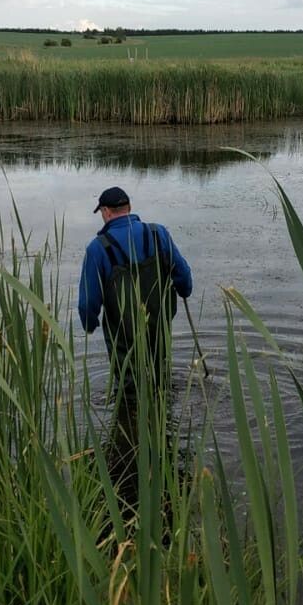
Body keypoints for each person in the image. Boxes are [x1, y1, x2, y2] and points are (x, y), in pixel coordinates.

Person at [78, 186, 193, 498]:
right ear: (129, 207)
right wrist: (182, 290)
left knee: (129, 392)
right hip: (160, 330)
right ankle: (160, 439)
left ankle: (132, 448)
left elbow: (88, 303)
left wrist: (89, 325)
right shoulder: (159, 235)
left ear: (105, 212)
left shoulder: (98, 248)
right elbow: (184, 278)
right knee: (159, 380)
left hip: (124, 341)